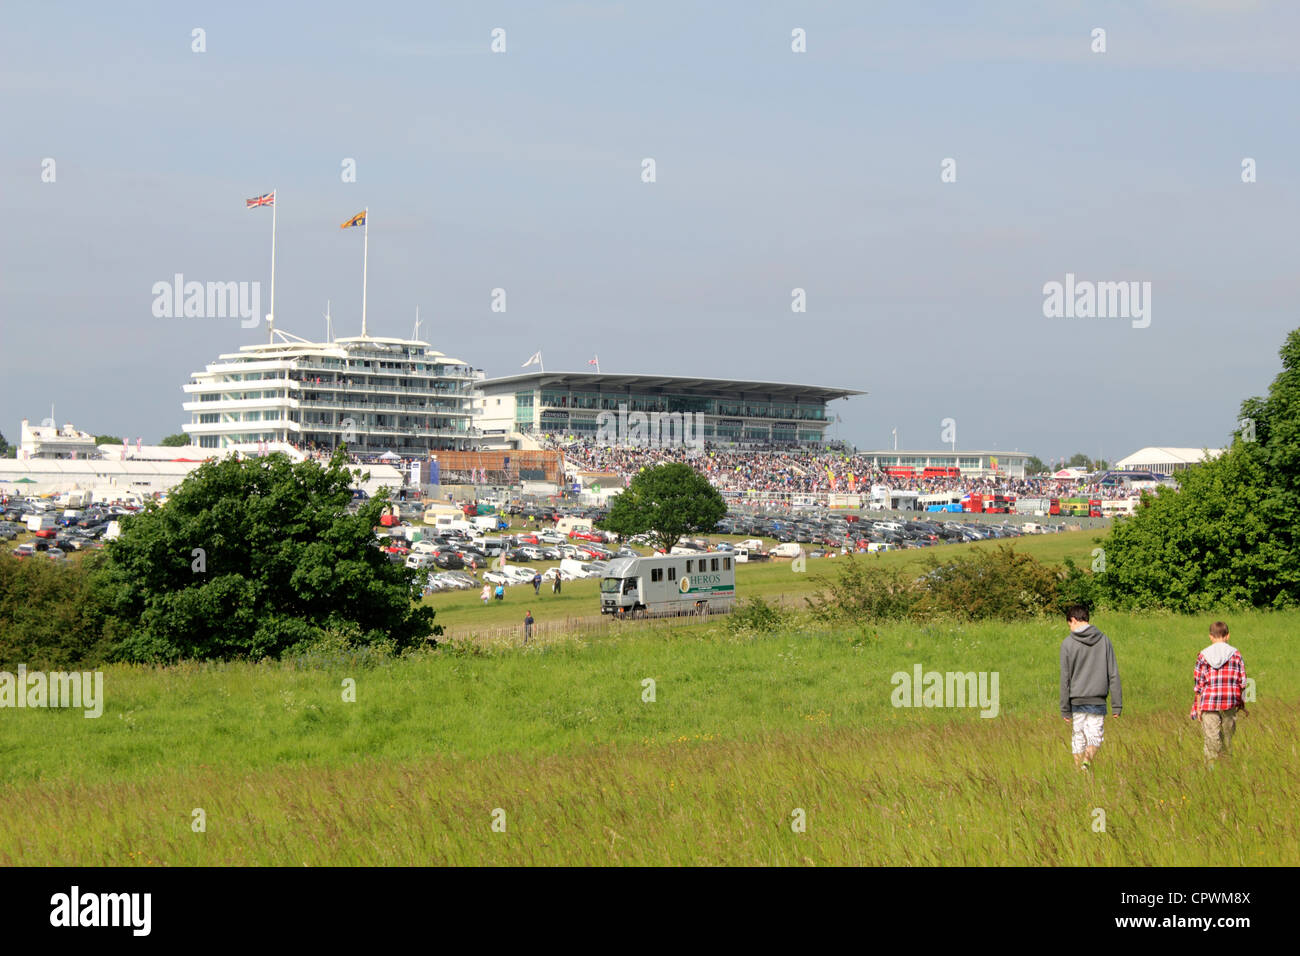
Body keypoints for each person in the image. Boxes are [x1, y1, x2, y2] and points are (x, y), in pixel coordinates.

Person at [1059, 605, 1122, 772]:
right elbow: (1113, 674)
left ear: (1073, 620)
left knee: (1078, 736)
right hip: (1097, 699)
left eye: (1069, 624)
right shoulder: (1104, 640)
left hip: (1077, 700)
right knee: (1095, 737)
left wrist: (1065, 709)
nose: (1070, 629)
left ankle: (1078, 769)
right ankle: (1086, 764)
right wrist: (1117, 704)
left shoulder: (1067, 643)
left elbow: (1065, 679)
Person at [1190, 621, 1248, 762]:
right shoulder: (1236, 654)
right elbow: (1243, 682)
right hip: (1230, 703)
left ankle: (1212, 769)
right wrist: (1242, 703)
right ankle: (1226, 765)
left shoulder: (1203, 655)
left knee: (1211, 740)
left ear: (1211, 637)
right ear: (1228, 636)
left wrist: (1198, 708)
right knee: (1227, 739)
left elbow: (1199, 685)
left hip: (1209, 702)